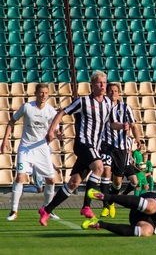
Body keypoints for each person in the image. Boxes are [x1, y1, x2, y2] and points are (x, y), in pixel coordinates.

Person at [39, 71, 126, 226]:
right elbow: (61, 113)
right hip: (83, 144)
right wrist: (51, 131)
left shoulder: (107, 103)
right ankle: (86, 206)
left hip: (95, 147)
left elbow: (112, 123)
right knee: (99, 167)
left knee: (74, 182)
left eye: (104, 82)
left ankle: (46, 209)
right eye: (100, 83)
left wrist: (122, 125)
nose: (103, 85)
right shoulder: (83, 101)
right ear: (92, 85)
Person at [81, 168, 156, 237]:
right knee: (152, 207)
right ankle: (104, 196)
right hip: (151, 202)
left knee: (146, 231)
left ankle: (98, 223)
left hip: (148, 213)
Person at [1, 83, 61, 221]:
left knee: (51, 179)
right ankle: (13, 211)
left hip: (42, 149)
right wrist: (5, 140)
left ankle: (47, 209)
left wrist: (58, 134)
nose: (43, 95)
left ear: (48, 94)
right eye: (41, 92)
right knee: (20, 177)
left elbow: (56, 130)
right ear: (36, 93)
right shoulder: (27, 107)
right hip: (26, 148)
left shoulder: (50, 111)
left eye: (46, 93)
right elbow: (11, 122)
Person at [99, 82, 141, 218]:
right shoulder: (102, 106)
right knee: (106, 171)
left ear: (119, 93)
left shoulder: (125, 107)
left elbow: (133, 125)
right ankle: (105, 205)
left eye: (115, 91)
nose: (113, 93)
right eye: (110, 91)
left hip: (121, 147)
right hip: (105, 144)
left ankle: (111, 201)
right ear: (107, 92)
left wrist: (138, 139)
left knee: (117, 181)